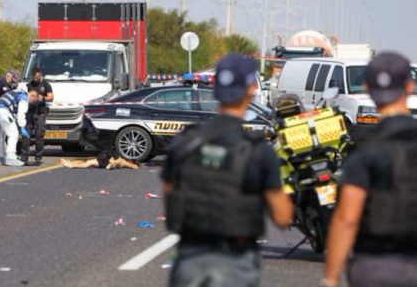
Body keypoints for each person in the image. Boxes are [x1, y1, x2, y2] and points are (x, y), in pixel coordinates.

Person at [162, 54, 293, 287]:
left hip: (189, 260)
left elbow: (170, 194)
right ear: (251, 90)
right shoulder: (258, 150)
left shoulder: (185, 142)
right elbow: (282, 217)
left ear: (215, 89)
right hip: (235, 263)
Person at [323, 52, 417, 287]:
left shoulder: (365, 149)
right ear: (409, 86)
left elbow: (347, 217)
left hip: (374, 266)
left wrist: (331, 278)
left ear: (367, 87)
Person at [0, 83, 37, 166]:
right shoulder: (23, 96)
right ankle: (11, 157)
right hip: (3, 111)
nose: (32, 99)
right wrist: (22, 126)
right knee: (13, 134)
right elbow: (21, 112)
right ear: (27, 92)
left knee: (0, 135)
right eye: (32, 96)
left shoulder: (11, 92)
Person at [0, 70, 19, 163]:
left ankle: (3, 155)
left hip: (7, 112)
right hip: (0, 111)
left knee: (6, 135)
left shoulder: (10, 85)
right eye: (13, 80)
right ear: (9, 77)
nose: (14, 82)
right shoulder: (0, 83)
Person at [26, 68, 54, 166]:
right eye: (34, 76)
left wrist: (43, 97)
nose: (36, 78)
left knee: (39, 135)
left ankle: (38, 158)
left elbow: (51, 97)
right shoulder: (29, 85)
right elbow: (25, 96)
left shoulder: (46, 84)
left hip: (41, 113)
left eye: (37, 76)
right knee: (26, 134)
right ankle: (24, 158)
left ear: (40, 74)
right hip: (30, 112)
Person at [60, 148, 138, 170]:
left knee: (87, 163)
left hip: (106, 162)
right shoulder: (124, 160)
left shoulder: (125, 162)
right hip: (107, 160)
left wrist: (111, 164)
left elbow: (113, 165)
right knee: (88, 162)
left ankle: (71, 165)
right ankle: (71, 163)